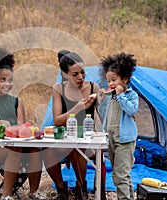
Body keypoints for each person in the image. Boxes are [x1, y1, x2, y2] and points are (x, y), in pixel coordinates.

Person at [0, 48, 44, 200]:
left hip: (16, 145)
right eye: (3, 80)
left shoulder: (17, 102)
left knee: (34, 149)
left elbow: (22, 128)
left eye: (10, 80)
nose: (8, 84)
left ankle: (34, 192)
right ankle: (6, 194)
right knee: (15, 146)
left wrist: (25, 129)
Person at [42, 50, 107, 200]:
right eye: (75, 74)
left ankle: (80, 187)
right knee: (46, 150)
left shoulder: (93, 87)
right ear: (65, 74)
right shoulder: (59, 89)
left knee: (75, 146)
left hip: (87, 139)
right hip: (66, 138)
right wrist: (77, 107)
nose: (81, 77)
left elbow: (104, 114)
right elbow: (58, 120)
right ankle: (61, 188)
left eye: (83, 73)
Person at [97, 52, 138, 200]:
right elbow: (104, 114)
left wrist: (121, 96)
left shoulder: (130, 95)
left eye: (114, 80)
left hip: (125, 141)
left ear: (125, 79)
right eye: (108, 81)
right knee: (118, 173)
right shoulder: (111, 96)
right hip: (112, 139)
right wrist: (98, 98)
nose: (111, 84)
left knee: (121, 174)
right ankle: (129, 197)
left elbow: (132, 110)